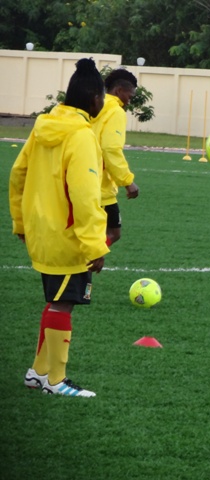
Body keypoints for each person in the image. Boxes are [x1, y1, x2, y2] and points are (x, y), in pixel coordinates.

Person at [9, 58, 108, 397]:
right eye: (103, 97)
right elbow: (84, 195)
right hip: (68, 238)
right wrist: (94, 245)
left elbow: (18, 174)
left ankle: (37, 373)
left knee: (55, 300)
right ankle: (56, 381)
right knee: (63, 304)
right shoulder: (81, 136)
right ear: (95, 98)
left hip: (41, 232)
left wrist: (21, 222)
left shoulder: (44, 126)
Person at [92, 68, 140, 246]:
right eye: (130, 96)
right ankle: (86, 259)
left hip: (80, 179)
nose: (130, 100)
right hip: (100, 187)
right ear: (119, 90)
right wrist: (127, 181)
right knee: (112, 233)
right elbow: (110, 148)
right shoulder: (115, 111)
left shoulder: (93, 104)